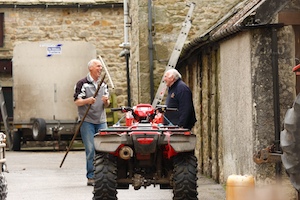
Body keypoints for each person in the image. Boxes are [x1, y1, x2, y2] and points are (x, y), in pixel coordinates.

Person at [73, 59, 110, 186]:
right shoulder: (82, 83)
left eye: (101, 66)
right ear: (91, 68)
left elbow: (107, 102)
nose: (100, 68)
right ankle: (91, 176)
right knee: (91, 149)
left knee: (105, 149)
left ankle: (104, 174)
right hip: (87, 120)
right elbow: (77, 101)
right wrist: (87, 101)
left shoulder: (103, 83)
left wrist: (106, 101)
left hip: (101, 120)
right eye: (98, 66)